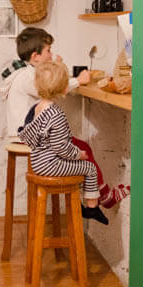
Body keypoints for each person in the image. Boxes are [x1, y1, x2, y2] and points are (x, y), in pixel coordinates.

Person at [0, 27, 130, 209]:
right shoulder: (27, 76)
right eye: (48, 51)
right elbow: (52, 88)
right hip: (28, 138)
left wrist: (58, 67)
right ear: (36, 56)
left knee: (81, 146)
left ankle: (94, 195)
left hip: (25, 135)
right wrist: (80, 80)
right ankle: (102, 196)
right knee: (82, 148)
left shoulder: (25, 73)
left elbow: (51, 83)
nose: (51, 54)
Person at [17, 61, 108, 225]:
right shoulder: (56, 114)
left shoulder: (37, 108)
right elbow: (61, 147)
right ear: (64, 88)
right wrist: (78, 154)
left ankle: (83, 202)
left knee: (80, 166)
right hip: (51, 165)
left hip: (38, 162)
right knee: (90, 168)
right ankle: (92, 207)